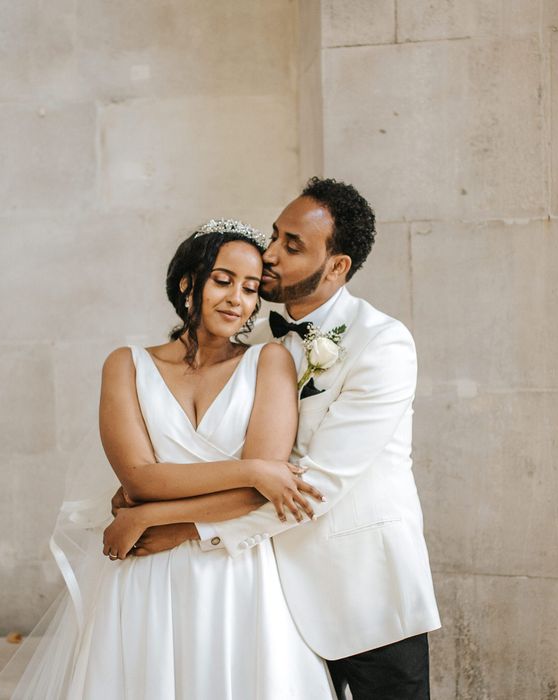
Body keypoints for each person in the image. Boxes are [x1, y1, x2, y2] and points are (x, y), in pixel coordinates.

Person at [116, 179, 441, 699]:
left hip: (363, 590)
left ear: (337, 266)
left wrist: (179, 524)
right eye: (275, 235)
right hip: (265, 595)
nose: (269, 255)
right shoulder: (256, 342)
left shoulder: (383, 343)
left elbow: (317, 484)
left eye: (293, 246)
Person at [0, 219, 336, 699]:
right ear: (188, 284)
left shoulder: (269, 362)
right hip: (143, 575)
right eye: (223, 280)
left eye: (252, 288)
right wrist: (252, 468)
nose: (238, 298)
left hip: (235, 575)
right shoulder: (127, 364)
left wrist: (151, 515)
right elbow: (139, 478)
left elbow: (257, 496)